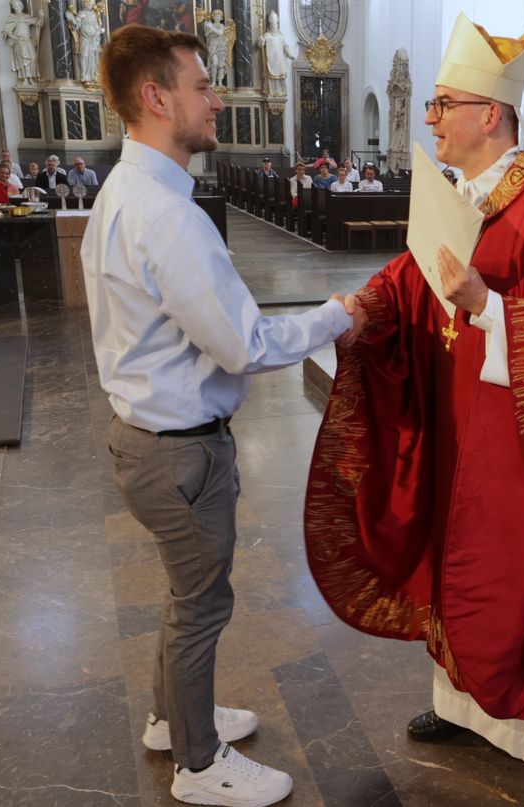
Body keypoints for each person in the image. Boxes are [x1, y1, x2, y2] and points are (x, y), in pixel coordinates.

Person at [303, 12, 524, 781]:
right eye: (429, 104)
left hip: (523, 443)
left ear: (487, 114)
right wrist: (370, 307)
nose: (429, 118)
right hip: (459, 422)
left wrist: (489, 304)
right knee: (453, 564)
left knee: (512, 575)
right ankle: (464, 708)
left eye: (440, 104)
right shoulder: (465, 193)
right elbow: (413, 274)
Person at [83, 25, 362, 807]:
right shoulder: (168, 215)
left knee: (185, 595)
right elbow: (244, 343)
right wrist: (336, 315)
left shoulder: (125, 192)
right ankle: (200, 764)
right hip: (178, 453)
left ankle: (173, 718)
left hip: (145, 440)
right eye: (202, 86)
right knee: (202, 604)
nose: (218, 98)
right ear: (156, 97)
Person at [2, 0, 44, 83]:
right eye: (14, 6)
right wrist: (15, 38)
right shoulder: (12, 18)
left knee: (33, 58)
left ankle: (32, 77)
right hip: (19, 41)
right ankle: (25, 79)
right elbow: (7, 32)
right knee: (23, 60)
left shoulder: (27, 17)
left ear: (21, 6)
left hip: (28, 40)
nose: (16, 8)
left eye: (17, 6)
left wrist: (41, 16)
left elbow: (39, 24)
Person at [202, 9, 228, 88]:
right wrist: (209, 29)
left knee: (220, 64)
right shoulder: (210, 25)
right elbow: (206, 35)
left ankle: (220, 82)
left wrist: (211, 28)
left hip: (220, 46)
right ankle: (213, 82)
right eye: (215, 16)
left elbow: (220, 33)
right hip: (212, 46)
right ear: (213, 17)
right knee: (215, 63)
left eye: (218, 17)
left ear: (221, 18)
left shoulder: (221, 25)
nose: (217, 18)